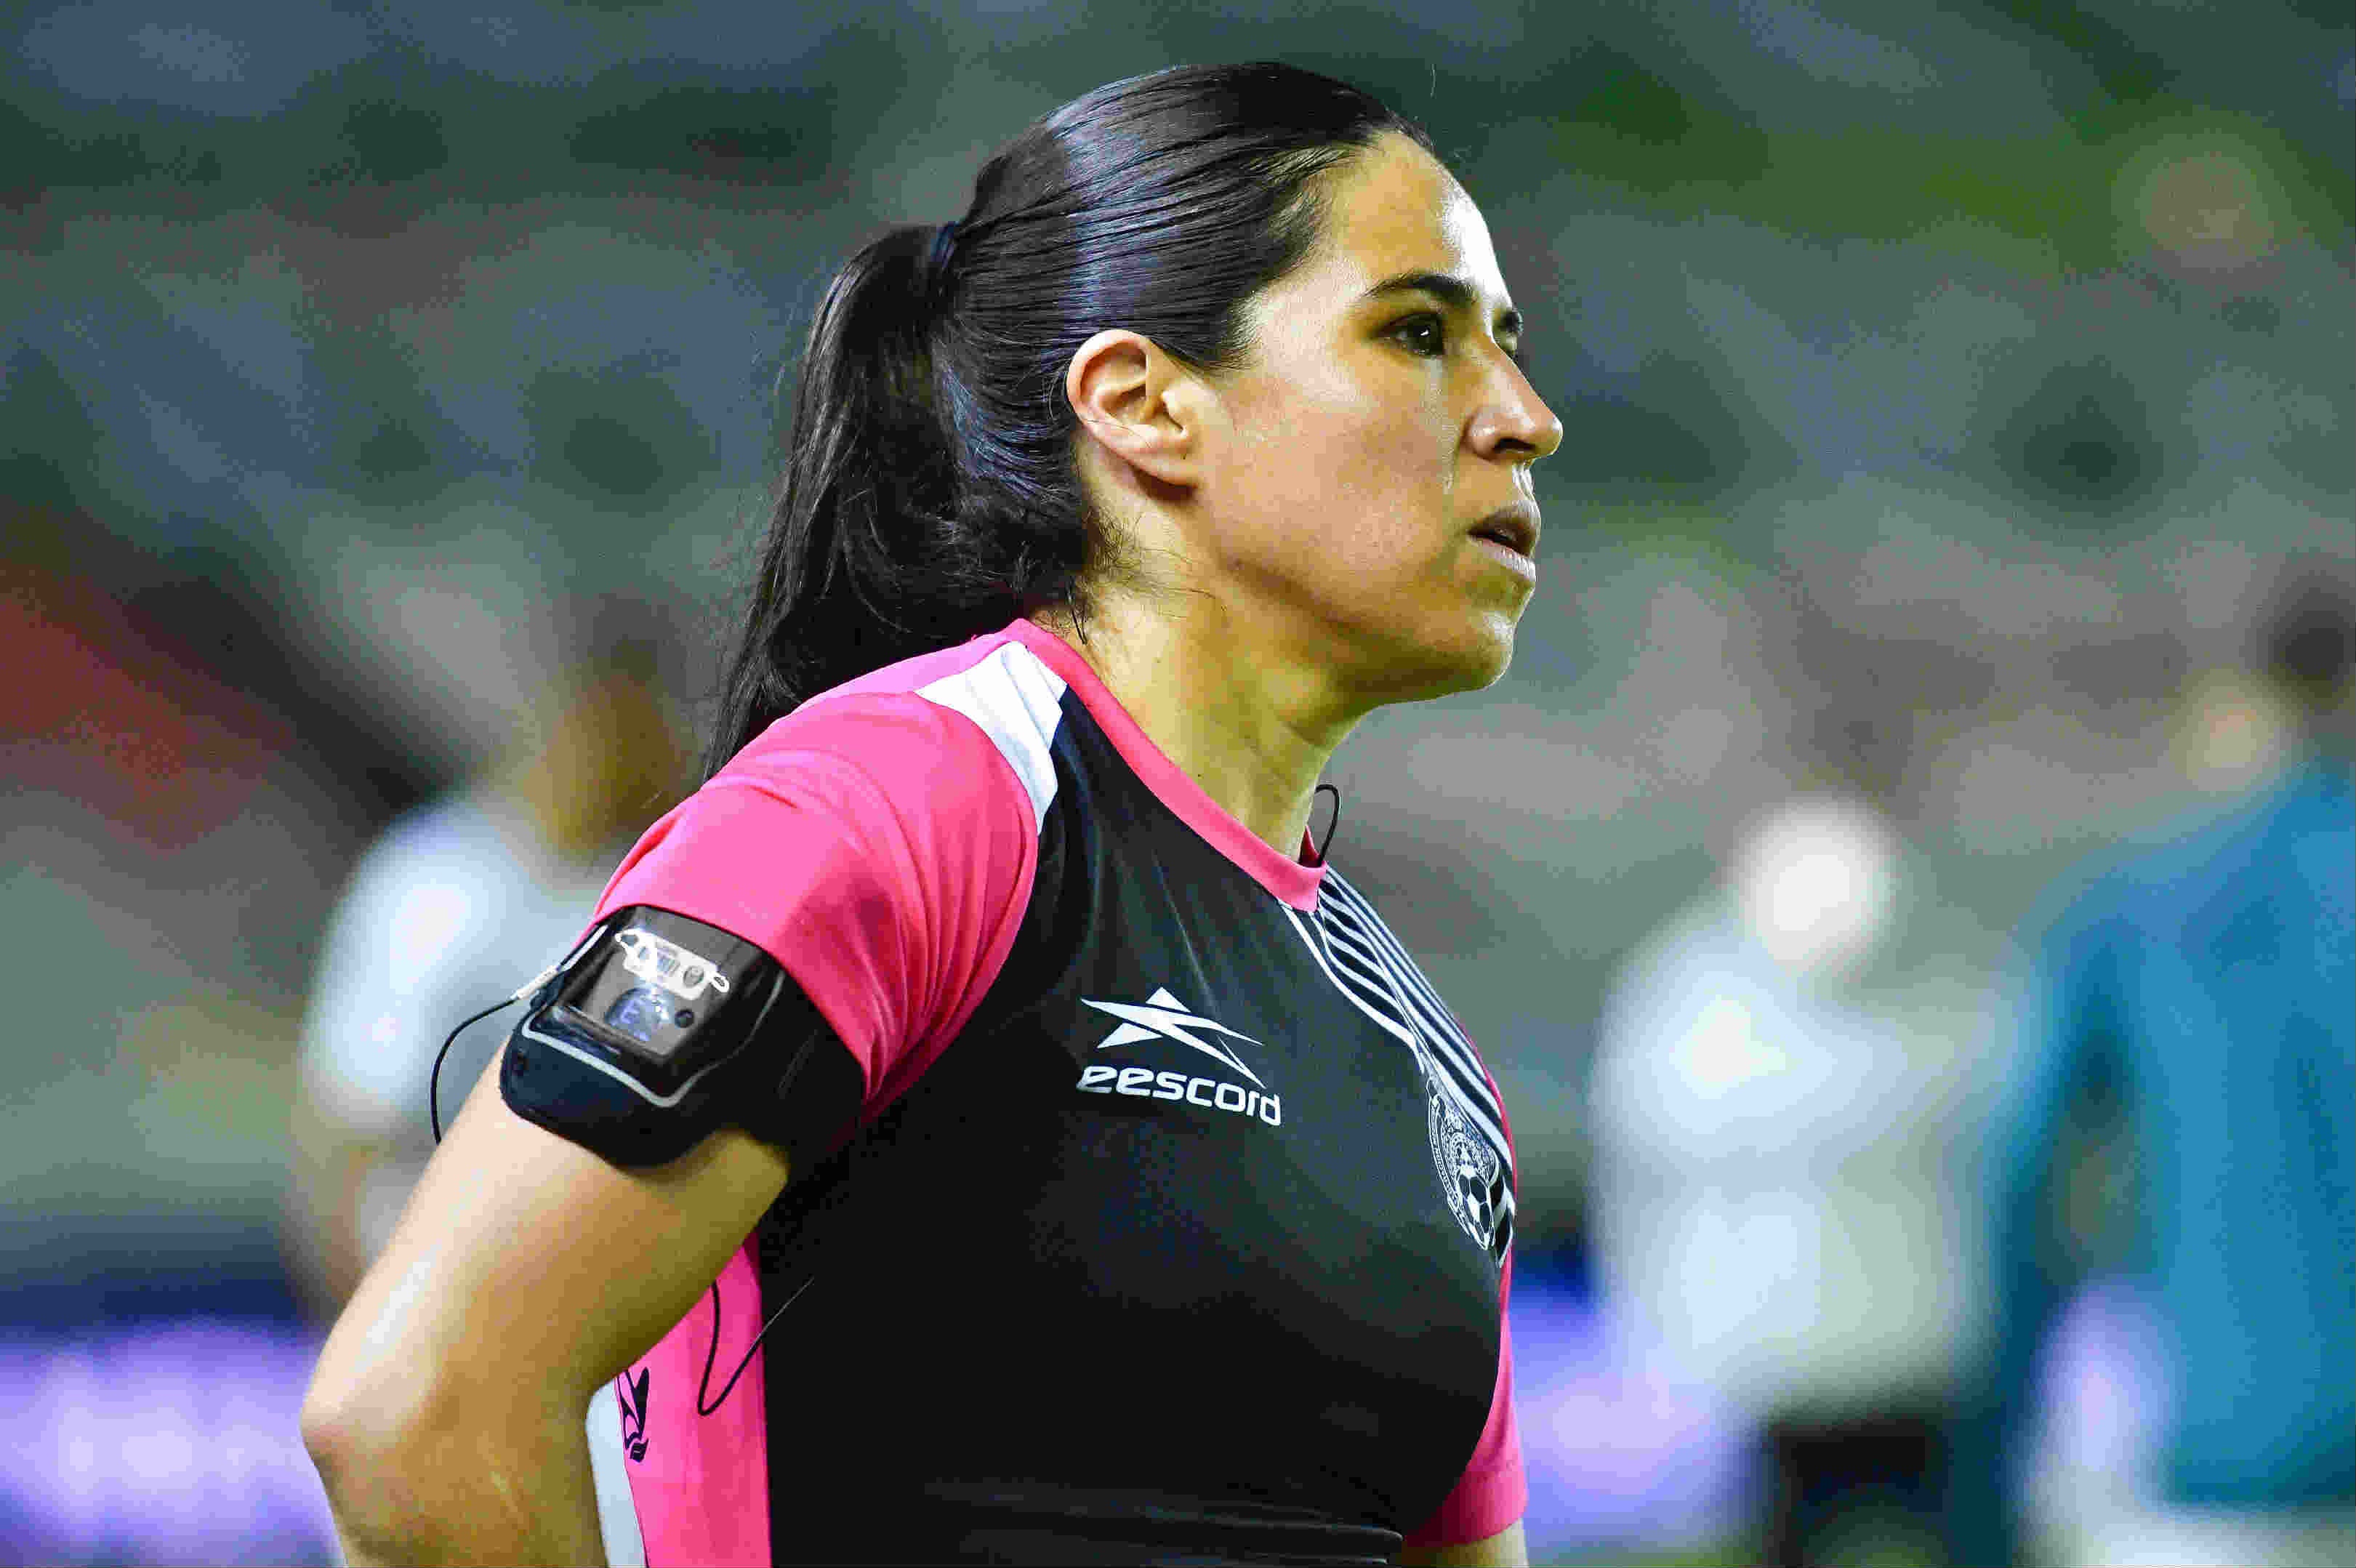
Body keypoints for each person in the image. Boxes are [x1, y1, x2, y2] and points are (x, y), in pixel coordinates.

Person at [299, 60, 1561, 1568]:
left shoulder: (1426, 1060)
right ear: (1143, 405)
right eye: (1417, 331)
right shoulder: (904, 803)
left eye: (1507, 346)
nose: (1527, 419)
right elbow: (420, 1413)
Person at [1942, 568, 2356, 1568]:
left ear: (2226, 704)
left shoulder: (2137, 911)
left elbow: (2020, 1179)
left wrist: (1988, 1474)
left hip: (2227, 1453)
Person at [1585, 715, 2008, 1568]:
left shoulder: (1967, 990)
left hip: (1933, 1379)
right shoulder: (1685, 1000)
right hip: (1756, 1401)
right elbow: (1639, 1185)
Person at [283, 633, 694, 1318]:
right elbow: (353, 1129)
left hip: (583, 1257)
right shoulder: (436, 882)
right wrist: (352, 1320)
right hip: (424, 1250)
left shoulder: (653, 889)